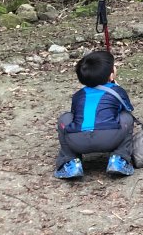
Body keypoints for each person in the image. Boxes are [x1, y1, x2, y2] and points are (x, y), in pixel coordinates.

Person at [54, 49, 135, 178]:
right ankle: (119, 158)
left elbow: (75, 115)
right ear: (111, 75)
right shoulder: (117, 91)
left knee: (65, 118)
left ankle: (70, 161)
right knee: (126, 117)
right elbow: (127, 109)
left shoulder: (78, 95)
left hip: (77, 141)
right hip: (109, 139)